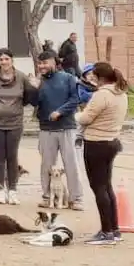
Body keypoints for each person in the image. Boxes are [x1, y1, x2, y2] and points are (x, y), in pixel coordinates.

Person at [75, 62, 129, 246]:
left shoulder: (101, 95)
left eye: (94, 77)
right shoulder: (121, 93)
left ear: (99, 78)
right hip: (112, 141)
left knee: (98, 187)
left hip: (96, 143)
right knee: (106, 186)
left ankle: (106, 231)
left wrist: (76, 115)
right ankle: (114, 229)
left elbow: (85, 118)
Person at [0, 48, 38, 205]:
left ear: (12, 60)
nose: (4, 62)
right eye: (1, 59)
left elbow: (28, 96)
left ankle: (13, 190)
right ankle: (1, 190)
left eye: (6, 59)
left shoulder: (21, 77)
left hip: (15, 123)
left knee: (12, 157)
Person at [34, 51, 84, 210]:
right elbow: (33, 102)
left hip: (67, 127)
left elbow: (75, 99)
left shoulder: (68, 78)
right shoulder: (39, 82)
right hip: (46, 128)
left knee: (71, 164)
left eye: (45, 63)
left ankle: (76, 199)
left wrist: (60, 111)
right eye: (40, 63)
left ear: (55, 63)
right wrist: (34, 89)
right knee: (46, 165)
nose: (42, 66)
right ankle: (47, 196)